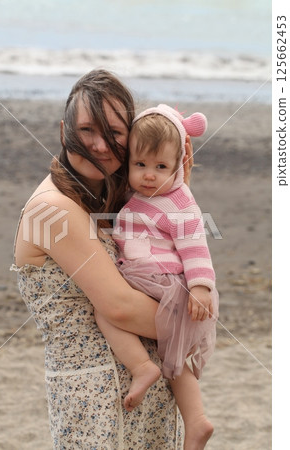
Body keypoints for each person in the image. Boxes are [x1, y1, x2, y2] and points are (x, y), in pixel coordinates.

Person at [11, 70, 199, 449]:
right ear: (64, 131)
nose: (99, 145)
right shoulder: (53, 209)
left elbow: (163, 255)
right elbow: (120, 307)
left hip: (143, 391)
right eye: (86, 130)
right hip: (97, 393)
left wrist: (178, 189)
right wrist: (196, 324)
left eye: (114, 132)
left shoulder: (112, 197)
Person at [95, 104, 219, 445]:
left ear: (178, 166)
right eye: (140, 165)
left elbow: (195, 247)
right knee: (172, 355)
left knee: (105, 311)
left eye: (161, 167)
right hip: (147, 281)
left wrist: (201, 287)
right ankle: (196, 420)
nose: (149, 175)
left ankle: (141, 369)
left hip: (165, 284)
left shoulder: (180, 202)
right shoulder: (137, 196)